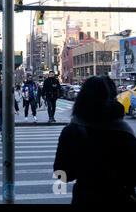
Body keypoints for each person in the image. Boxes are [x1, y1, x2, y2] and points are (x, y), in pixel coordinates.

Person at [54, 76, 136, 204]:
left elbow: (61, 173)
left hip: (85, 197)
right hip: (120, 198)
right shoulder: (125, 131)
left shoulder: (71, 131)